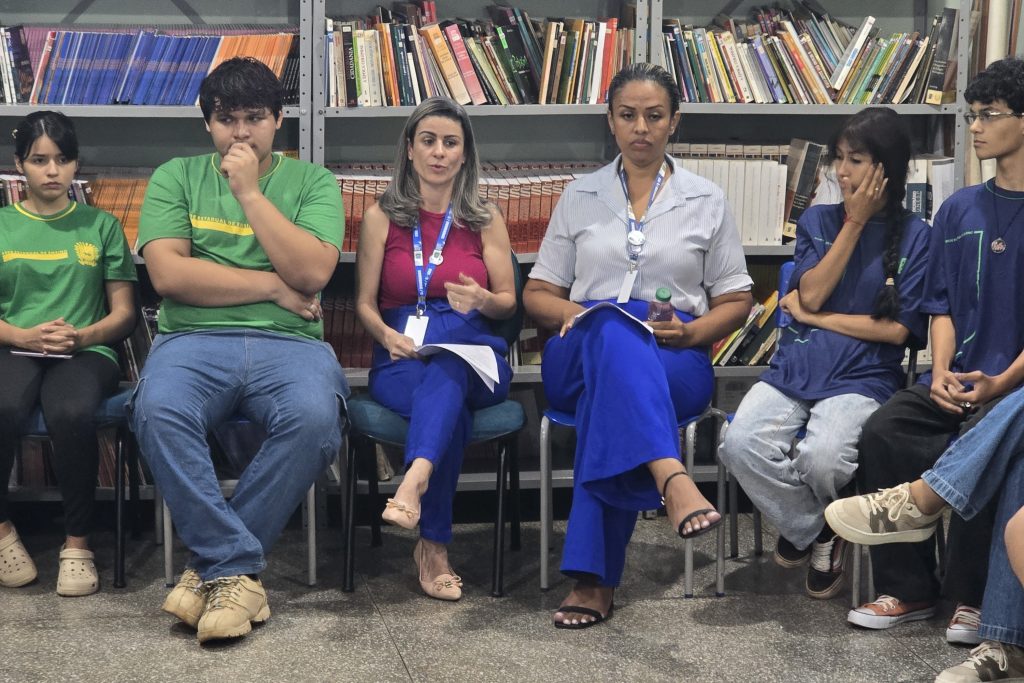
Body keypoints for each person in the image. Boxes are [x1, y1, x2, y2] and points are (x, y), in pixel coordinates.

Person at [523, 63, 753, 629]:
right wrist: (590, 315)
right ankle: (672, 476)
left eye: (654, 116)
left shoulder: (707, 199)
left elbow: (737, 298)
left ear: (674, 122)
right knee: (611, 327)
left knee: (613, 385)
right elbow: (537, 294)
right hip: (578, 352)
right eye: (628, 116)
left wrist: (695, 333)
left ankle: (592, 579)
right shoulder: (581, 194)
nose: (641, 128)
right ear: (611, 121)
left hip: (675, 356)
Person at [130, 57, 347, 643]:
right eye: (228, 120)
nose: (242, 133)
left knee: (314, 418)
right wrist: (274, 286)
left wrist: (250, 194)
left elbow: (313, 271)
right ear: (208, 126)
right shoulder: (175, 176)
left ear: (280, 120)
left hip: (291, 345)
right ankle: (236, 567)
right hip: (191, 339)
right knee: (157, 411)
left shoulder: (313, 183)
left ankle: (212, 572)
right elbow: (169, 277)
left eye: (256, 117)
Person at [835, 57, 1024, 643]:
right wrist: (940, 371)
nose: (975, 127)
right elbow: (939, 305)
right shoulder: (959, 207)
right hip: (955, 376)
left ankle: (969, 597)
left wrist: (998, 384)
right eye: (971, 115)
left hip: (1010, 388)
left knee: (983, 440)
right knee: (885, 428)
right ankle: (908, 590)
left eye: (989, 115)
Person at [718, 108, 930, 601]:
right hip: (798, 367)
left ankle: (813, 530)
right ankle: (820, 531)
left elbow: (897, 330)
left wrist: (815, 318)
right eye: (839, 157)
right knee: (738, 442)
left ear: (887, 170)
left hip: (862, 375)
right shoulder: (817, 219)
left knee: (824, 460)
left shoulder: (917, 235)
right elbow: (810, 294)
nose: (842, 171)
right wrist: (853, 224)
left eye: (856, 160)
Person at [355, 97, 516, 601]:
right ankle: (433, 545)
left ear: (465, 155)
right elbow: (363, 303)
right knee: (448, 406)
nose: (439, 153)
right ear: (409, 149)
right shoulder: (380, 217)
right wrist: (385, 336)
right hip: (402, 352)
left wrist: (485, 298)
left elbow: (510, 304)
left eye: (451, 143)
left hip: (474, 350)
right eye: (428, 141)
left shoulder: (486, 217)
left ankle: (412, 480)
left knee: (450, 368)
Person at [0, 111, 136, 597]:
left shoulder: (101, 225)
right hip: (13, 344)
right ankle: (1, 531)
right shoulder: (1, 225)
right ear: (21, 165)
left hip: (86, 350)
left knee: (72, 410)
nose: (52, 171)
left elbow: (124, 313)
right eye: (39, 160)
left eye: (62, 159)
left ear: (76, 164)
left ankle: (77, 544)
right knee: (5, 406)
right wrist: (20, 336)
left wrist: (81, 336)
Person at [826, 388, 1024, 681]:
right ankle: (1008, 644)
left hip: (1004, 384)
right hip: (956, 383)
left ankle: (924, 501)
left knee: (1006, 436)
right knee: (884, 429)